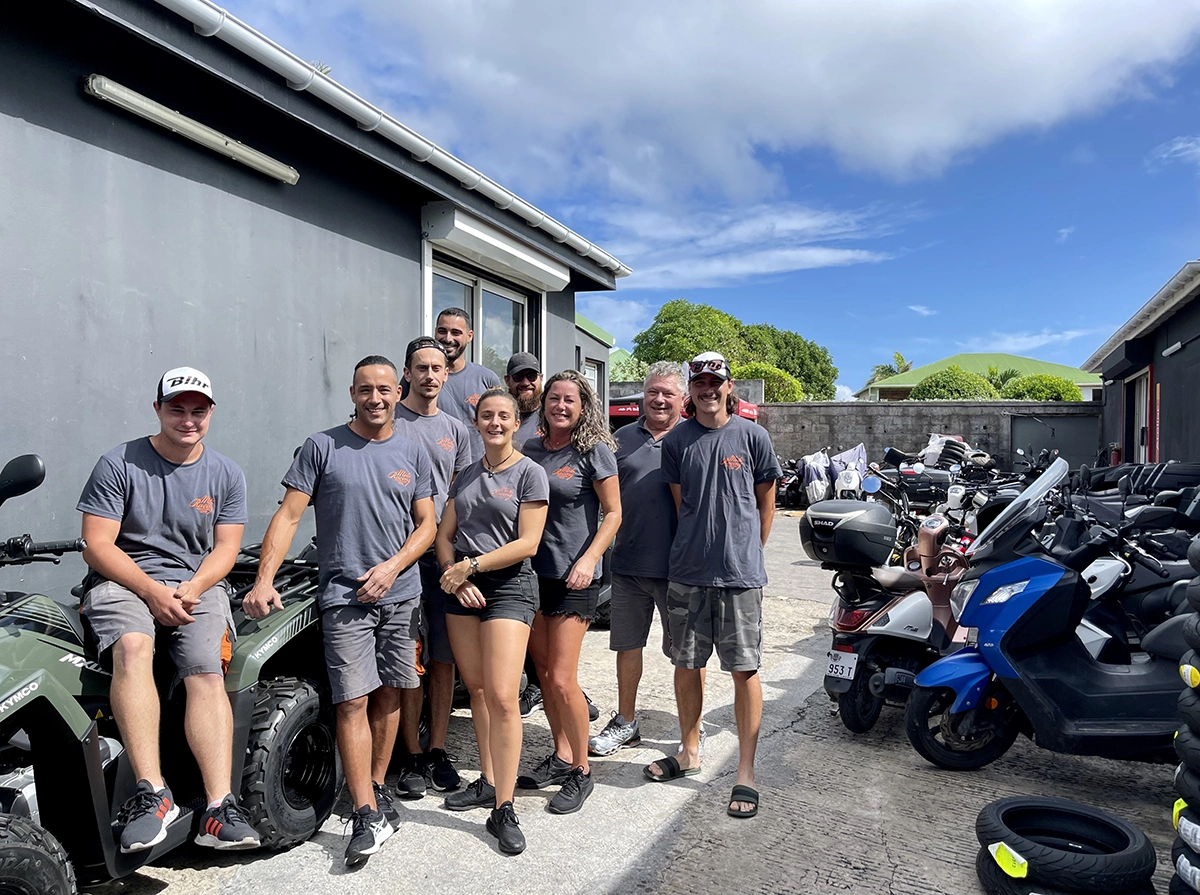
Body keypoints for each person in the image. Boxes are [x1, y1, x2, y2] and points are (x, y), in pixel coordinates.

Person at [243, 356, 436, 867]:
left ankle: (371, 789)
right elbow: (287, 516)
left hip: (399, 594)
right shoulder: (322, 446)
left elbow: (427, 526)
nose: (375, 398)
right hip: (344, 598)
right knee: (352, 701)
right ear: (352, 393)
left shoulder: (413, 449)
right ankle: (368, 814)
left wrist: (393, 568)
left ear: (398, 392)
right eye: (365, 390)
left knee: (391, 692)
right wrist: (263, 579)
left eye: (384, 390)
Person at [77, 367, 260, 854]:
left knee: (206, 671)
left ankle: (219, 809)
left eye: (198, 410)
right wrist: (153, 592)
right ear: (157, 409)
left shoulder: (226, 473)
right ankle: (153, 795)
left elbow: (226, 549)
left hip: (195, 587)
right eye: (176, 408)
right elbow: (97, 546)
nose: (187, 419)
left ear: (211, 413)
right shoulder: (119, 462)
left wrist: (194, 587)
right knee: (135, 647)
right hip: (123, 580)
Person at [644, 351, 780, 821]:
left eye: (714, 381)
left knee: (744, 670)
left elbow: (766, 506)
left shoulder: (754, 436)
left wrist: (745, 551)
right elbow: (685, 506)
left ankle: (745, 771)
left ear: (728, 384)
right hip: (688, 573)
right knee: (687, 664)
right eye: (698, 381)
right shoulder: (677, 442)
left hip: (740, 576)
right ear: (691, 388)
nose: (707, 388)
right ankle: (689, 750)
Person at [435, 387, 548, 855]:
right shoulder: (464, 474)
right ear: (476, 421)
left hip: (509, 585)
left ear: (516, 422)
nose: (495, 423)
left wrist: (473, 566)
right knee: (477, 690)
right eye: (487, 416)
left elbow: (529, 543)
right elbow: (444, 536)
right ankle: (486, 778)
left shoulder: (530, 473)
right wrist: (454, 576)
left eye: (504, 416)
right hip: (464, 585)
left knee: (503, 696)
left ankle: (504, 806)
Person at [517, 370, 620, 815]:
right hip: (531, 574)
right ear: (544, 403)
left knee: (562, 678)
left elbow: (614, 514)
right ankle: (561, 756)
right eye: (553, 398)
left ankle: (582, 769)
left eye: (569, 400)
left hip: (574, 577)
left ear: (583, 407)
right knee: (543, 675)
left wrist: (589, 559)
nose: (560, 406)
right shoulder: (532, 449)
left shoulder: (594, 451)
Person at [588, 361, 690, 757]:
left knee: (685, 653)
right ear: (642, 396)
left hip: (678, 569)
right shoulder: (621, 439)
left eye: (668, 393)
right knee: (627, 646)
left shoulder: (693, 438)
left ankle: (689, 732)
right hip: (628, 565)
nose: (659, 400)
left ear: (682, 399)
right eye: (653, 392)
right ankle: (626, 723)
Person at [393, 336, 472, 797]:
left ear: (446, 374)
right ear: (407, 372)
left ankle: (437, 747)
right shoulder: (388, 422)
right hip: (397, 557)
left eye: (436, 368)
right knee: (408, 657)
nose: (428, 375)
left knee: (442, 658)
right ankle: (411, 753)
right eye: (419, 367)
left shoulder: (457, 431)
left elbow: (461, 497)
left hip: (444, 558)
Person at [431, 307, 503, 462]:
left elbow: (502, 428)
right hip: (435, 472)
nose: (448, 338)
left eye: (456, 332)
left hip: (479, 473)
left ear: (470, 336)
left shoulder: (487, 379)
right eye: (442, 331)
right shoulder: (422, 379)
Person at [505, 351, 543, 447]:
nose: (525, 383)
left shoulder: (551, 416)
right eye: (518, 377)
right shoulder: (499, 417)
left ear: (541, 378)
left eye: (532, 376)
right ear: (507, 380)